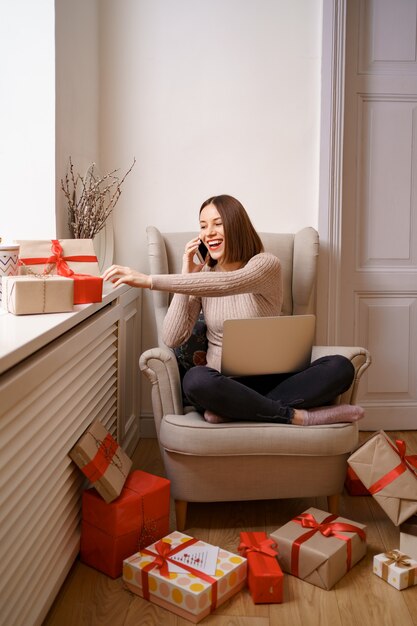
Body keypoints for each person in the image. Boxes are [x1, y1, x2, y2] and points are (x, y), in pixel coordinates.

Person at [102, 194, 364, 426]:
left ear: (236, 225)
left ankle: (237, 411)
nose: (208, 233)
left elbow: (227, 283)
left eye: (217, 223)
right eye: (203, 226)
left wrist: (149, 280)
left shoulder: (265, 264)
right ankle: (296, 416)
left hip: (276, 379)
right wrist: (186, 276)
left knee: (341, 367)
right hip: (225, 384)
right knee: (195, 380)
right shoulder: (202, 277)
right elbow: (172, 337)